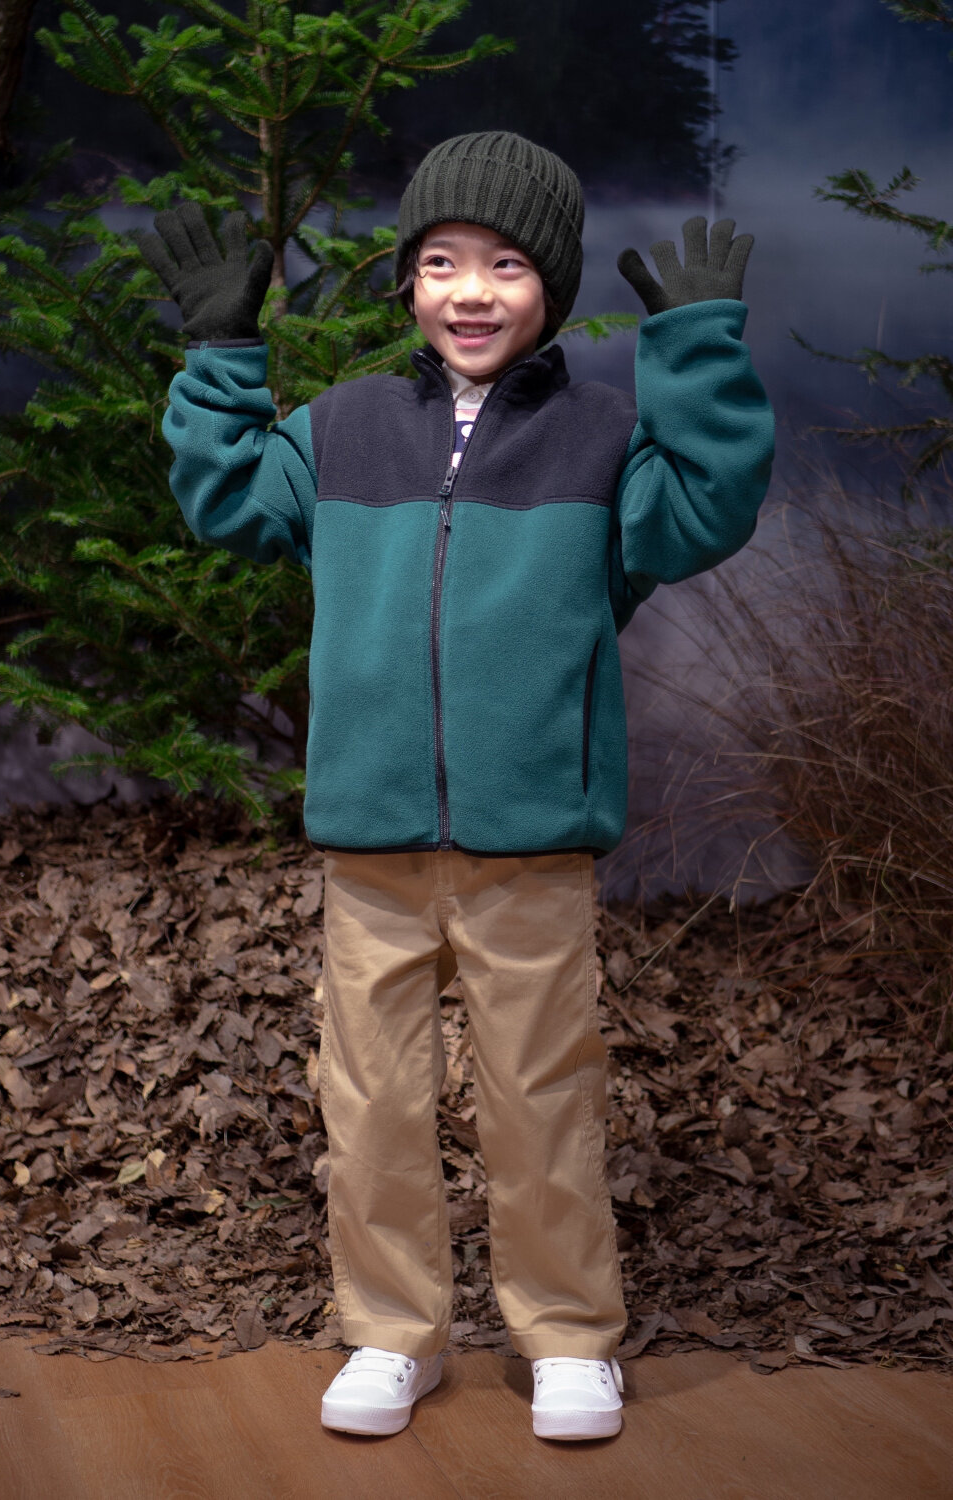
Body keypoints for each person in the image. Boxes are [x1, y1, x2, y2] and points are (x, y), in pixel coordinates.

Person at [133, 130, 774, 1444]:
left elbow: (702, 512)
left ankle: (569, 1338)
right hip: (372, 835)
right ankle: (391, 1333)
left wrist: (698, 349)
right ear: (408, 282)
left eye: (504, 265)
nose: (470, 292)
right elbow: (229, 498)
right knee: (371, 1097)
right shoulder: (346, 428)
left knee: (541, 1093)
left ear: (553, 286)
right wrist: (222, 356)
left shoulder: (603, 441)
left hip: (529, 839)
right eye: (440, 262)